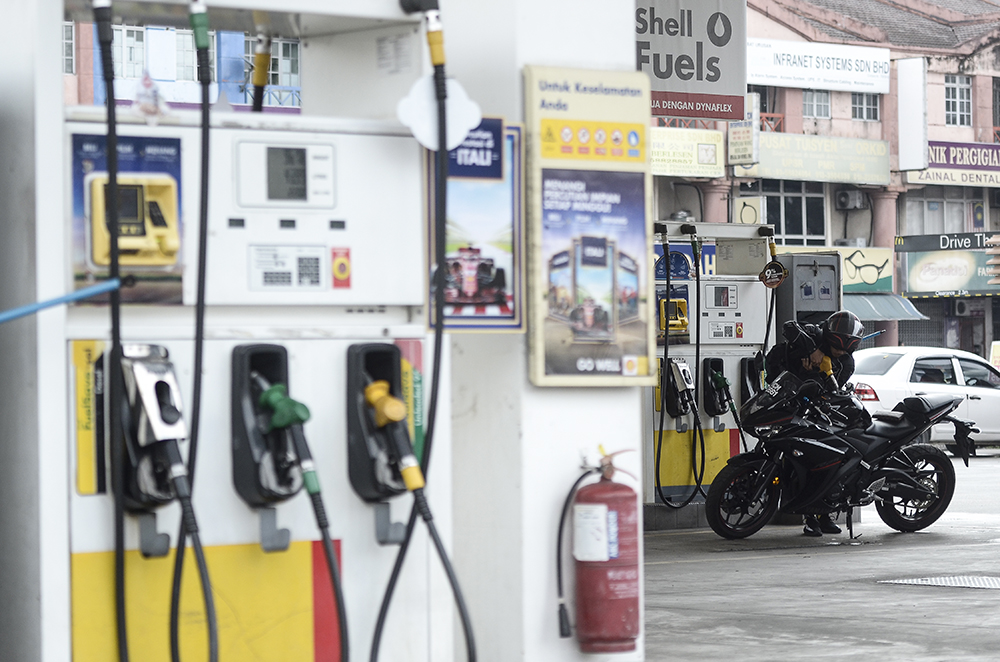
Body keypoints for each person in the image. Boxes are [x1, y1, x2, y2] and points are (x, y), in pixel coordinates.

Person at [763, 310, 865, 537]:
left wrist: (818, 374)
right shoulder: (813, 334)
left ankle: (820, 514)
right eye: (835, 346)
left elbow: (832, 392)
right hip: (780, 397)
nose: (838, 352)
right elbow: (789, 326)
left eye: (844, 349)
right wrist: (813, 351)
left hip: (810, 411)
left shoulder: (845, 364)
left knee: (814, 460)